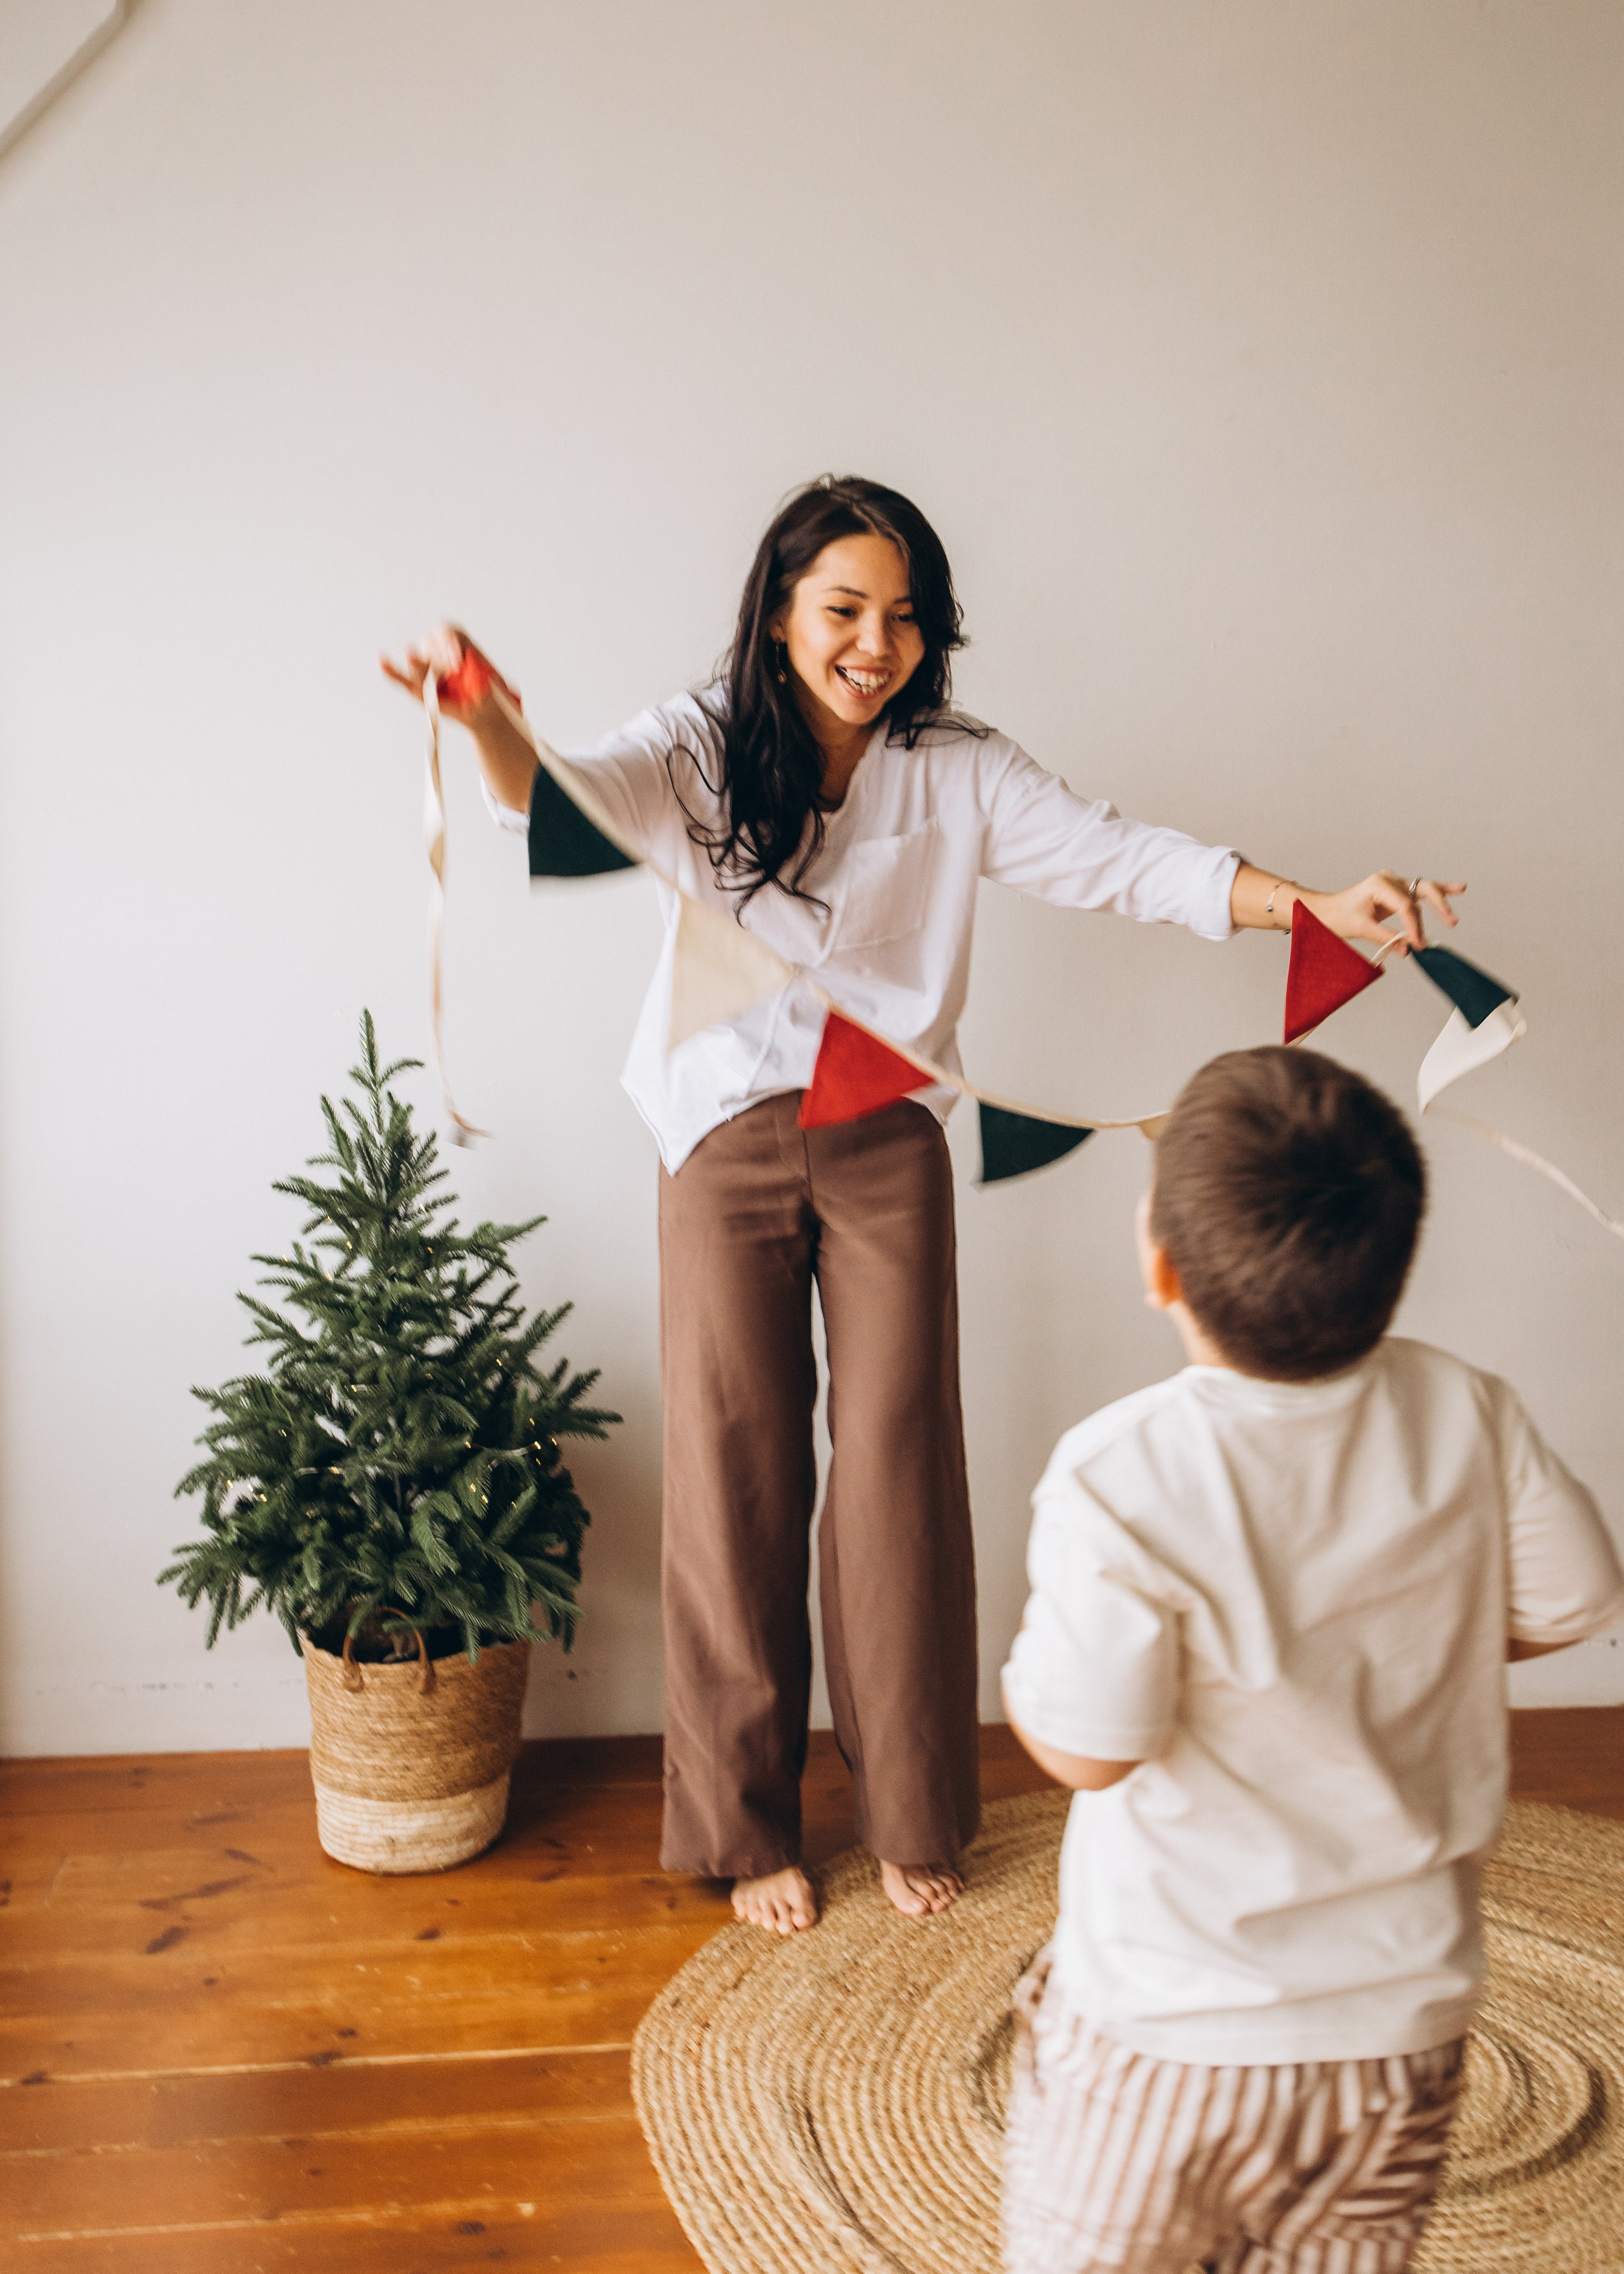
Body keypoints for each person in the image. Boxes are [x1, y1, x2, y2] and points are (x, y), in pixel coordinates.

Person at [384, 473, 1465, 1937]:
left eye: (901, 617)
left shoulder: (955, 765)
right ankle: (744, 1823)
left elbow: (1121, 857)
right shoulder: (694, 745)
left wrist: (1315, 905)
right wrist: (486, 718)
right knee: (735, 1466)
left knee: (896, 1464)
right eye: (842, 609)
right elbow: (560, 799)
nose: (872, 642)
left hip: (888, 1133)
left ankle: (909, 1807)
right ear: (779, 615)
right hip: (715, 1134)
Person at [1000, 1044, 1624, 2274]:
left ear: (1158, 1265)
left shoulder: (1117, 1469)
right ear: (1392, 1270)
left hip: (1169, 2025)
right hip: (1398, 2027)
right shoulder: (1466, 1409)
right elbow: (1577, 1596)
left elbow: (1088, 1750)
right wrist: (1410, 1639)